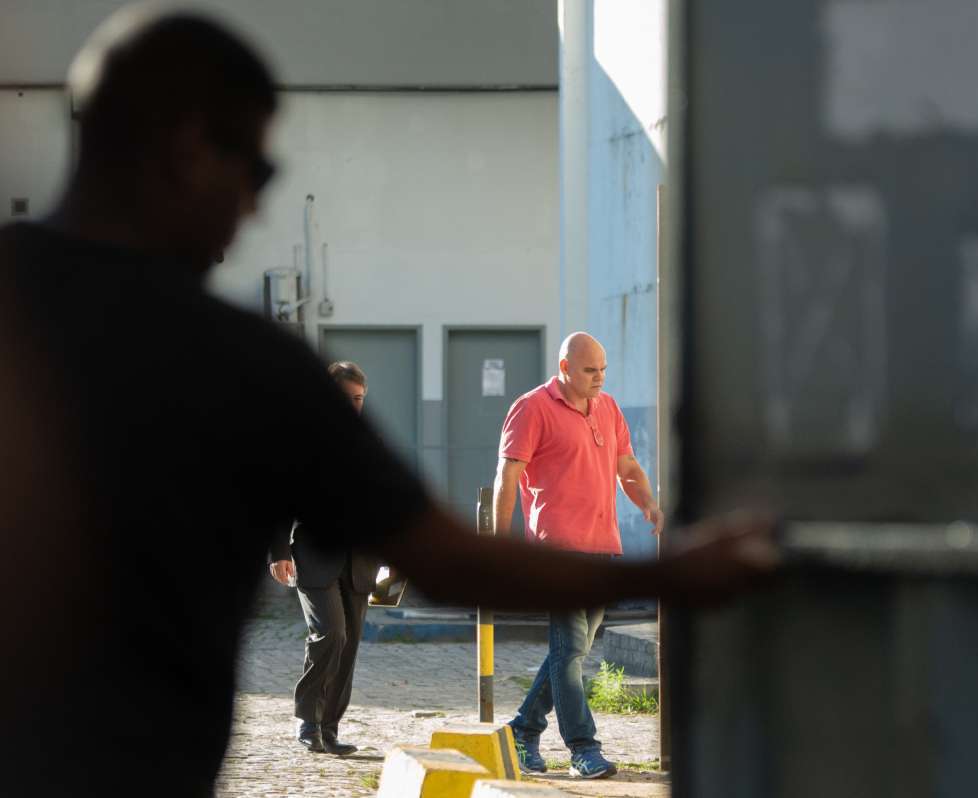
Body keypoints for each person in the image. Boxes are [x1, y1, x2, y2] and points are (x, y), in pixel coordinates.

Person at [0, 7, 777, 796]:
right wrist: (679, 576)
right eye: (258, 171)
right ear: (190, 148)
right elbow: (451, 559)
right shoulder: (245, 366)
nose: (256, 209)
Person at [495, 332, 662, 779]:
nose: (600, 378)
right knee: (569, 650)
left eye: (603, 369)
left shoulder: (607, 408)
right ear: (565, 368)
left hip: (603, 548)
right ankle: (583, 749)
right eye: (591, 370)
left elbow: (626, 466)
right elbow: (507, 477)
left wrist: (648, 503)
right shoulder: (532, 407)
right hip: (557, 553)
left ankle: (522, 730)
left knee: (571, 652)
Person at [268, 361, 381, 755]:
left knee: (349, 646)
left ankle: (329, 728)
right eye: (346, 398)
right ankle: (307, 719)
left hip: (361, 559)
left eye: (359, 399)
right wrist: (278, 552)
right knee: (331, 632)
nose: (353, 406)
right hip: (314, 556)